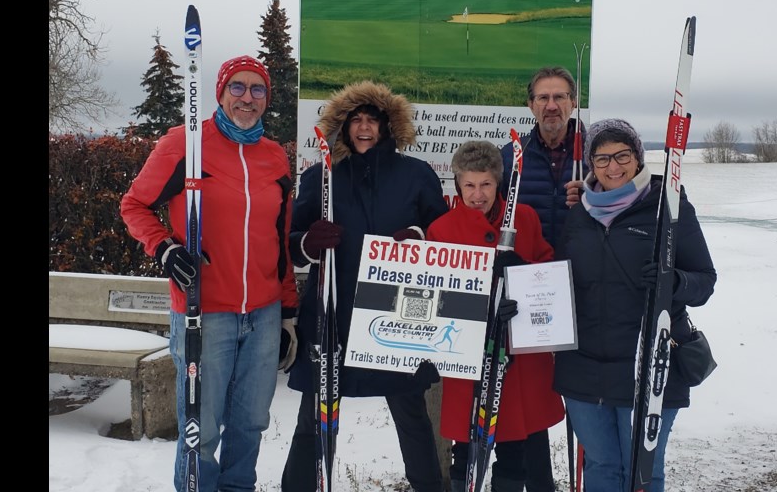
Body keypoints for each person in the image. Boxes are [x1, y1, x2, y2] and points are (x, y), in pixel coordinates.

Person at [121, 55, 299, 492]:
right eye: (237, 87)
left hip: (263, 313)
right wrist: (163, 247)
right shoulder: (185, 144)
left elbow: (282, 238)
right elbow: (134, 205)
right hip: (205, 313)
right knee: (203, 432)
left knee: (251, 425)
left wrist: (288, 308)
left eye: (257, 90)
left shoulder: (274, 157)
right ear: (220, 93)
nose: (247, 98)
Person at [281, 81, 449, 492]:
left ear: (387, 126)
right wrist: (308, 243)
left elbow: (443, 230)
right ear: (342, 126)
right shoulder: (321, 176)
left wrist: (420, 236)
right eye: (355, 119)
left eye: (372, 120)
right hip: (332, 314)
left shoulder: (416, 174)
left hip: (397, 316)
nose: (363, 128)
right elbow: (289, 240)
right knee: (313, 418)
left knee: (412, 416)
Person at [553, 119, 717, 492]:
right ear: (590, 164)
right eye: (602, 158)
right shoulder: (579, 214)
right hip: (583, 369)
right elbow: (562, 280)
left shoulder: (669, 209)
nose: (613, 167)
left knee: (642, 473)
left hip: (648, 366)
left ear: (639, 158)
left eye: (623, 155)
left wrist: (673, 281)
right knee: (600, 468)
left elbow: (705, 281)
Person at [427, 140, 565, 492]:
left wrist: (521, 275)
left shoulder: (525, 218)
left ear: (498, 183)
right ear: (458, 185)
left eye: (486, 184)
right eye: (470, 185)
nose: (478, 194)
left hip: (517, 352)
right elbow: (434, 294)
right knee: (466, 443)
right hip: (468, 354)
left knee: (514, 443)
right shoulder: (442, 230)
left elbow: (547, 272)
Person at [499, 66, 588, 491]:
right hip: (530, 293)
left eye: (560, 97)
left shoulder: (596, 153)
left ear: (573, 102)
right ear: (530, 104)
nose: (551, 105)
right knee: (529, 394)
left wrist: (591, 201)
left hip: (585, 288)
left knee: (584, 399)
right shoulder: (510, 157)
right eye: (542, 97)